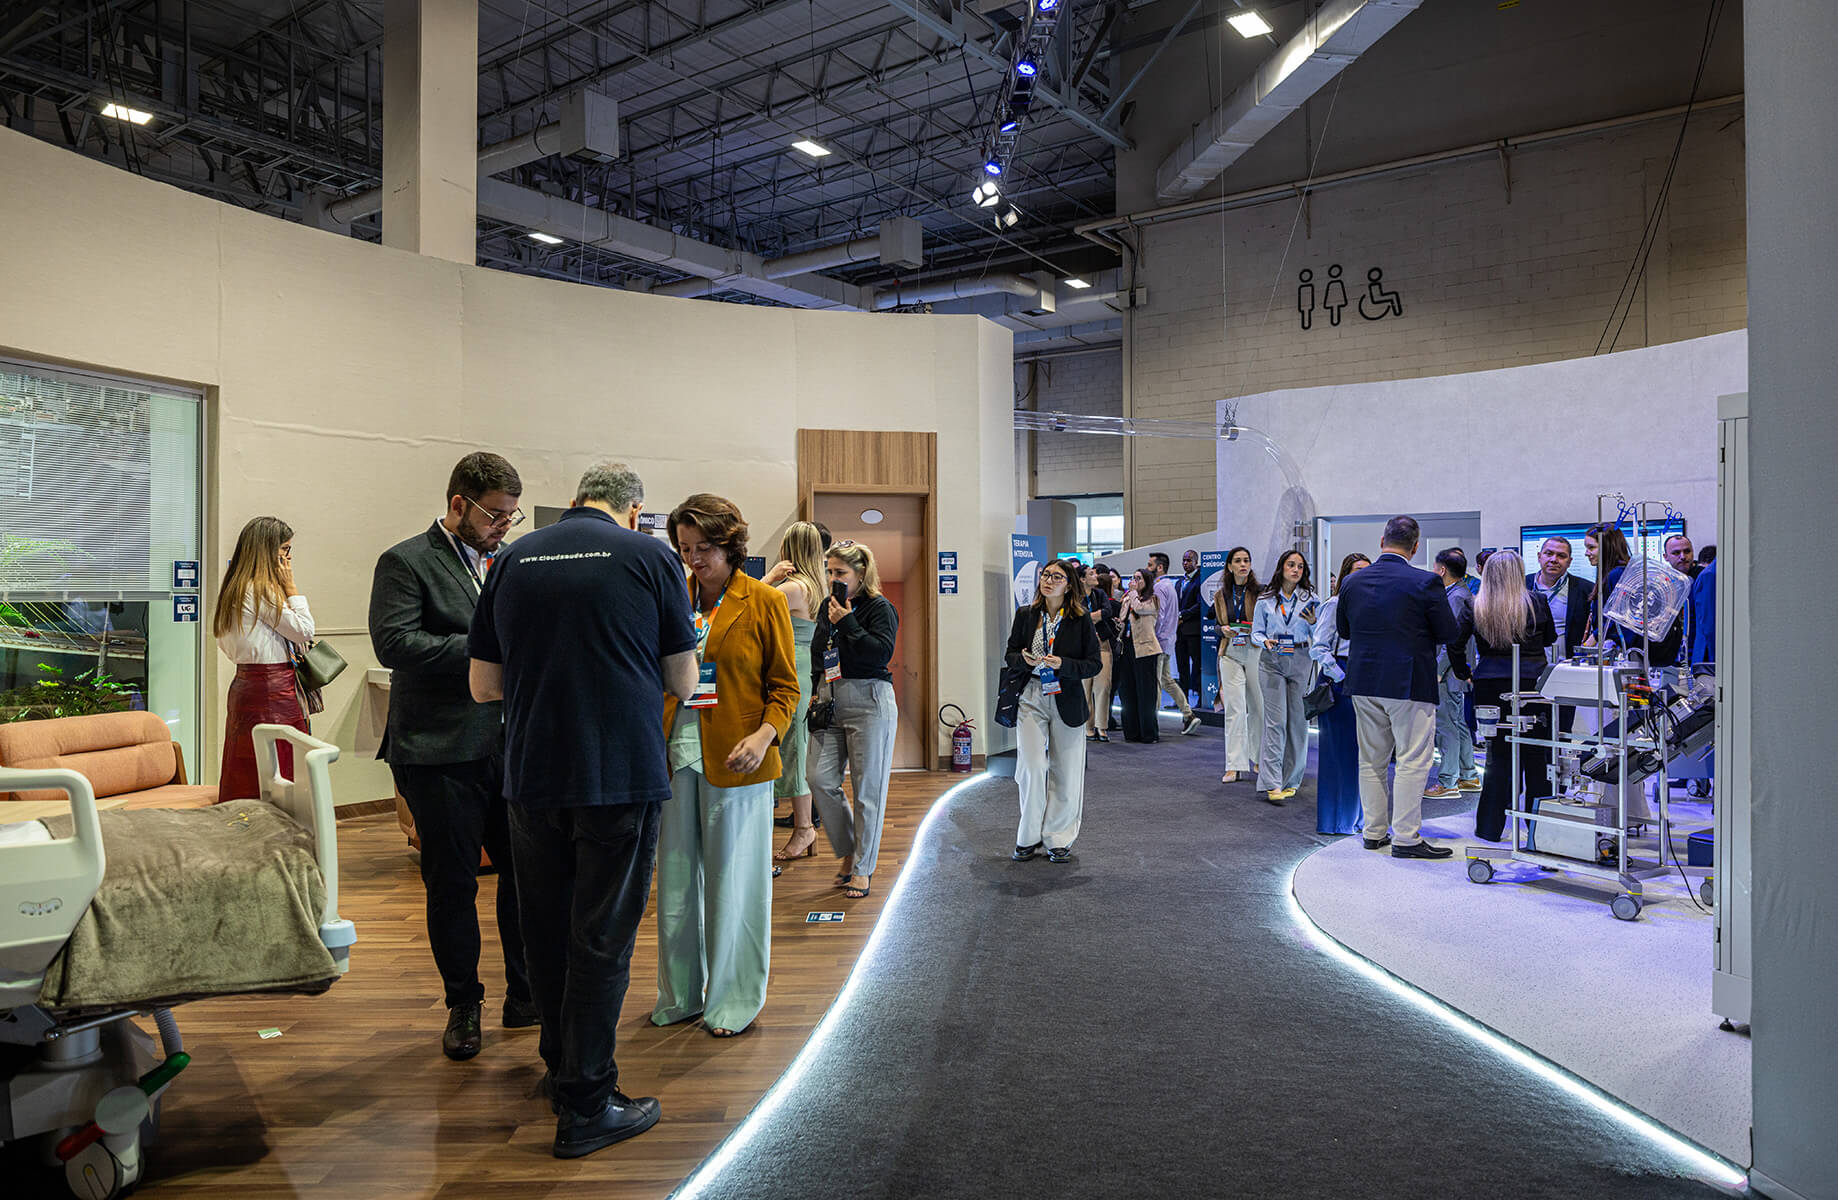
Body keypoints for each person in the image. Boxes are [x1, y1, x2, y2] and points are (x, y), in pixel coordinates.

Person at [467, 461, 697, 1160]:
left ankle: (563, 1067)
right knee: (603, 940)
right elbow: (682, 677)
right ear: (633, 511)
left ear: (573, 503)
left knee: (545, 930)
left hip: (533, 773)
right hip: (620, 774)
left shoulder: (511, 559)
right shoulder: (651, 556)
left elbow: (482, 686)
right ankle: (588, 1103)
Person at [368, 452, 534, 1061]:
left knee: (523, 876)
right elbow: (396, 643)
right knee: (452, 884)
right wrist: (488, 648)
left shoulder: (508, 561)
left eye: (511, 518)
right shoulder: (406, 560)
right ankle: (463, 1003)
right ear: (459, 503)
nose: (502, 527)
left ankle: (526, 994)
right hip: (439, 751)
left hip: (508, 747)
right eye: (495, 515)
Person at [653, 494, 800, 1038]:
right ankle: (682, 993)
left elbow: (786, 687)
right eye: (686, 548)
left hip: (739, 757)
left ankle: (733, 999)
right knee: (674, 885)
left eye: (705, 547)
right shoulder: (672, 599)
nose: (695, 558)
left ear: (730, 545)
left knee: (735, 883)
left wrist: (765, 736)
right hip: (674, 755)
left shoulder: (763, 601)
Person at [1336, 515, 1470, 859]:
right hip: (1409, 682)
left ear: (1382, 541)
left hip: (1363, 680)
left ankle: (1373, 832)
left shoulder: (1352, 583)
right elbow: (1448, 633)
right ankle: (1407, 838)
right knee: (1413, 760)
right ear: (1415, 546)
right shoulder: (1426, 582)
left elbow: (1345, 631)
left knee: (1371, 761)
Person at [809, 541, 900, 901]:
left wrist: (846, 622)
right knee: (817, 777)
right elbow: (819, 649)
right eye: (830, 571)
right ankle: (848, 850)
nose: (833, 579)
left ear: (861, 574)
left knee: (868, 792)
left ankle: (862, 868)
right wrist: (817, 685)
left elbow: (879, 653)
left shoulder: (881, 608)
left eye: (840, 573)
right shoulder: (826, 606)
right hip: (830, 695)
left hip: (870, 700)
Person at [1006, 559, 1102, 863]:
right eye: (1045, 575)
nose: (1048, 580)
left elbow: (1094, 663)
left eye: (1056, 576)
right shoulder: (1026, 615)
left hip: (1067, 695)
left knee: (1067, 770)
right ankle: (1029, 836)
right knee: (1032, 767)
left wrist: (1064, 665)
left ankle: (1058, 839)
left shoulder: (1080, 618)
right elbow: (1009, 653)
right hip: (1031, 695)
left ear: (1068, 583)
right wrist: (1023, 659)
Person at [214, 516, 312, 805]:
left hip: (245, 685)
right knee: (278, 768)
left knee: (246, 764)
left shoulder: (234, 587)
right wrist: (292, 588)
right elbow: (304, 631)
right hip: (274, 690)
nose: (288, 558)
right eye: (285, 550)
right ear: (269, 552)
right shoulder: (260, 590)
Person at [1470, 551, 1558, 842]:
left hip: (1490, 684)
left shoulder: (1478, 605)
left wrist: (1464, 672)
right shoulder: (1537, 602)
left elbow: (1458, 644)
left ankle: (1489, 829)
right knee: (1537, 755)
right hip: (1534, 681)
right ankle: (1540, 832)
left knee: (1498, 757)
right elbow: (1550, 640)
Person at [766, 522, 827, 864]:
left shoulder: (790, 588)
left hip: (789, 671)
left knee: (792, 751)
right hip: (801, 670)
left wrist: (771, 575)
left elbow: (746, 604)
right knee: (795, 748)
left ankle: (804, 827)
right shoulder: (815, 588)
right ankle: (804, 826)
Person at [1311, 553, 1369, 835]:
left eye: (1366, 572)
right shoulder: (1334, 604)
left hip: (1366, 680)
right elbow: (1318, 648)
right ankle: (1337, 821)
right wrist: (1342, 676)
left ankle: (1356, 818)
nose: (1361, 576)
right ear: (1345, 575)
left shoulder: (1373, 606)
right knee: (1340, 754)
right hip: (1340, 681)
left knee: (1363, 755)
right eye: (1357, 571)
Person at [1253, 549, 1317, 804]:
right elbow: (1256, 632)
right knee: (1275, 722)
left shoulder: (1310, 598)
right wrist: (1263, 641)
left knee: (1299, 723)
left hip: (1301, 658)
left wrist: (1313, 622)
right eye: (1291, 565)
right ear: (1281, 568)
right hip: (1272, 660)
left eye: (1300, 566)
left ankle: (1292, 779)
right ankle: (1272, 781)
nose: (1296, 570)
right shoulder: (1266, 600)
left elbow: (1321, 631)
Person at [1426, 548, 1479, 801]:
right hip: (1453, 671)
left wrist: (1437, 671)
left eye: (1434, 568)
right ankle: (1468, 775)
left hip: (1448, 673)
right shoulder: (1460, 594)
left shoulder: (1456, 597)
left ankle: (1448, 781)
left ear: (1442, 570)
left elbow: (1452, 641)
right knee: (1457, 723)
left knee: (1447, 725)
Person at [1212, 546, 1262, 784]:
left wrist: (1255, 629)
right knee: (1234, 709)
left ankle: (1259, 759)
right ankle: (1234, 765)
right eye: (1238, 561)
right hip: (1229, 652)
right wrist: (1222, 629)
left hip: (1255, 651)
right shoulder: (1221, 594)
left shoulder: (1260, 592)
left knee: (1258, 708)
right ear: (1230, 566)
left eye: (1246, 560)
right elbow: (1212, 625)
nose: (1243, 564)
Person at [1149, 552, 1201, 734]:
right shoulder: (1172, 585)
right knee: (1167, 680)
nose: (1148, 569)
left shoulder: (1160, 588)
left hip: (1160, 641)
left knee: (1157, 682)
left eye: (1150, 565)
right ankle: (1189, 714)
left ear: (1160, 567)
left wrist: (1153, 637)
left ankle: (1152, 724)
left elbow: (1160, 616)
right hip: (1170, 640)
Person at [1528, 535, 1593, 666]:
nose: (1554, 560)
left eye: (1561, 556)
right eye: (1549, 553)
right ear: (1539, 556)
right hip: (1528, 667)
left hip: (1567, 667)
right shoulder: (1521, 585)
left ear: (1569, 561)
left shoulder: (1587, 590)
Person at [1116, 569, 1163, 743]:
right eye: (1133, 578)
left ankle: (1148, 733)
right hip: (1127, 648)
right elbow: (1122, 619)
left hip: (1146, 650)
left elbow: (1140, 609)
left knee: (1146, 693)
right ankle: (1132, 731)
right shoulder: (1128, 599)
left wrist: (1133, 593)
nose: (1134, 581)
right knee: (1127, 692)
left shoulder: (1153, 600)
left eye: (1138, 578)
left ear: (1147, 581)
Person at [1081, 564, 1120, 743]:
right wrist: (1094, 616)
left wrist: (1089, 617)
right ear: (1082, 579)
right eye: (1091, 574)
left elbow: (1107, 611)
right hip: (1082, 647)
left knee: (1103, 686)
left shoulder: (1100, 594)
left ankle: (1101, 726)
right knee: (1085, 688)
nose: (1095, 575)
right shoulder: (1074, 597)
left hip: (1103, 644)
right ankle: (1088, 727)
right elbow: (1075, 617)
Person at [1174, 548, 1206, 706]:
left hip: (1193, 631)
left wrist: (1182, 615)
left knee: (1197, 664)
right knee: (1182, 667)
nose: (1186, 563)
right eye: (1184, 560)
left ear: (1196, 562)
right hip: (1179, 631)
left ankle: (1200, 698)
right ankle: (1182, 699)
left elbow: (1200, 605)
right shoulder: (1180, 582)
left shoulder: (1200, 581)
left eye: (1189, 560)